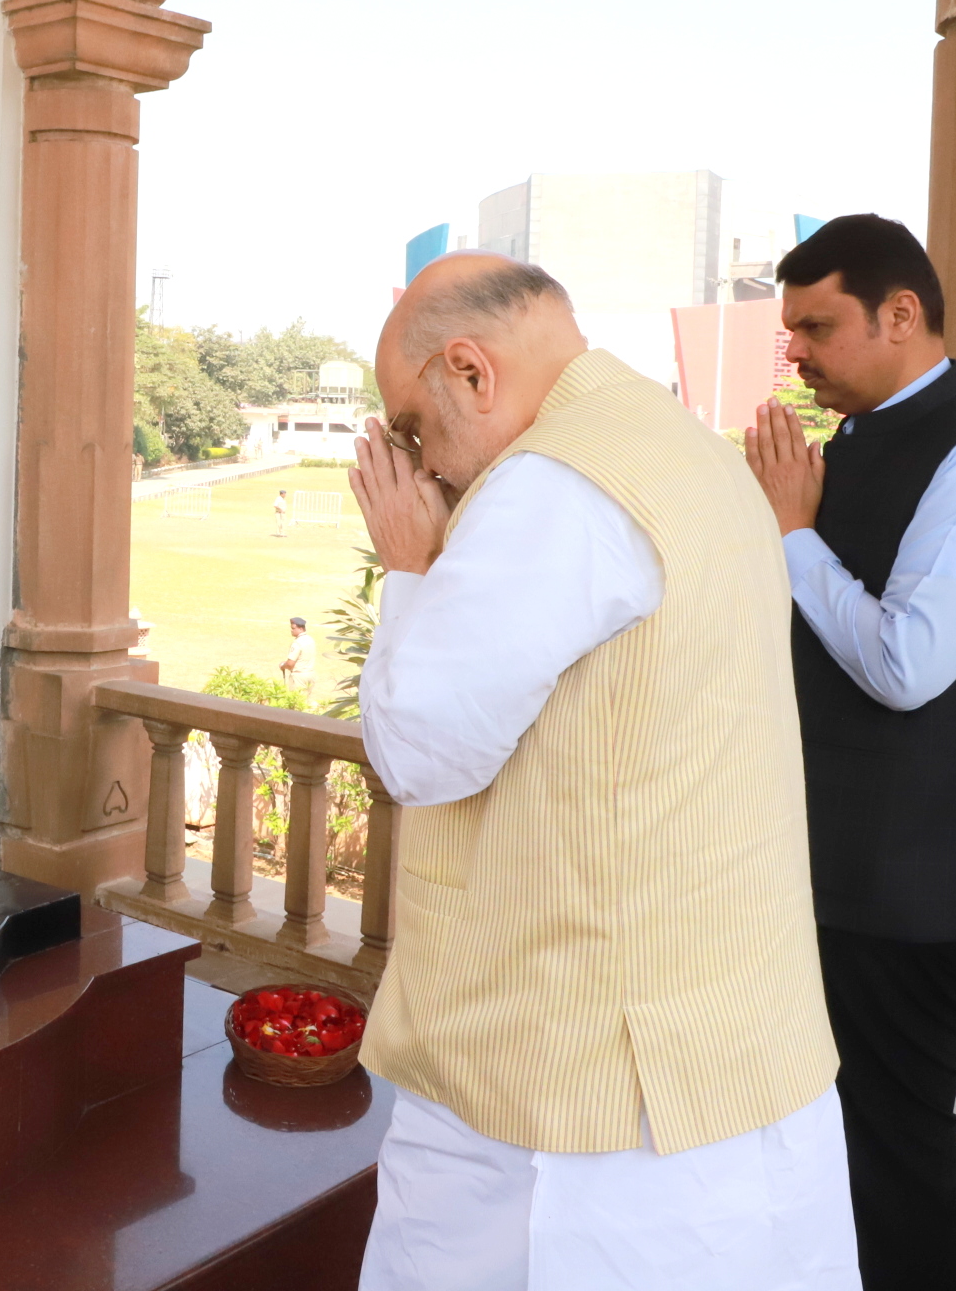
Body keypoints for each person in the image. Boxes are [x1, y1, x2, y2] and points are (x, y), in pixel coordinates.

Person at [349, 252, 857, 1290]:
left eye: (413, 427)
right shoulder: (685, 447)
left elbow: (421, 748)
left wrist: (411, 569)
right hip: (729, 1031)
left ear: (472, 372)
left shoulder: (554, 485)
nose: (425, 464)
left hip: (590, 1087)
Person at [743, 214, 956, 1291]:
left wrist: (792, 534)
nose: (796, 352)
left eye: (816, 325)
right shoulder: (858, 444)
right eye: (789, 330)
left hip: (917, 885)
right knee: (826, 1142)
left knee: (887, 1156)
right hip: (842, 872)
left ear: (902, 313)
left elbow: (905, 663)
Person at [279, 616, 316, 694]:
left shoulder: (297, 643)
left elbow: (290, 664)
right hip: (310, 674)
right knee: (307, 701)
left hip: (299, 677)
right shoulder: (310, 640)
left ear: (300, 629)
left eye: (293, 628)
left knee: (296, 702)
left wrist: (283, 665)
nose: (291, 630)